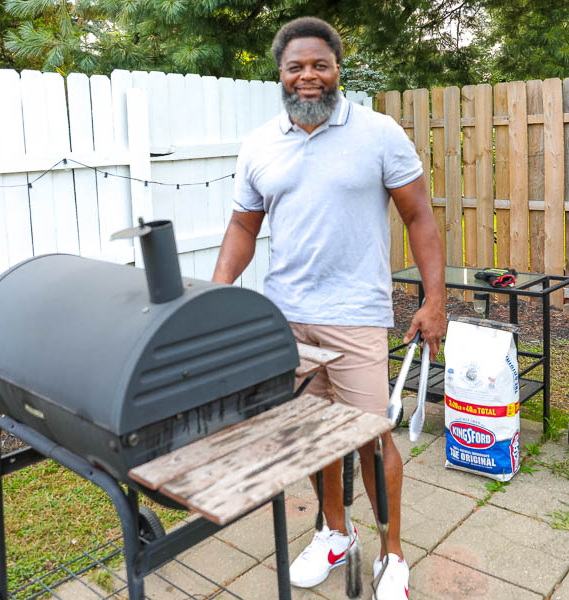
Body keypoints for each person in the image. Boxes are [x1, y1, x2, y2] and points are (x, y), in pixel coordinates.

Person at [211, 16, 445, 599]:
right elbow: (243, 225)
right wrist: (217, 293)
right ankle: (334, 533)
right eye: (296, 67)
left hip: (356, 315)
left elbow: (420, 217)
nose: (308, 76)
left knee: (370, 437)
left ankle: (392, 554)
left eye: (320, 65)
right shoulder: (260, 144)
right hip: (287, 317)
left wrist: (435, 299)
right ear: (281, 75)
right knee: (314, 435)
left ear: (338, 69)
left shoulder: (379, 133)